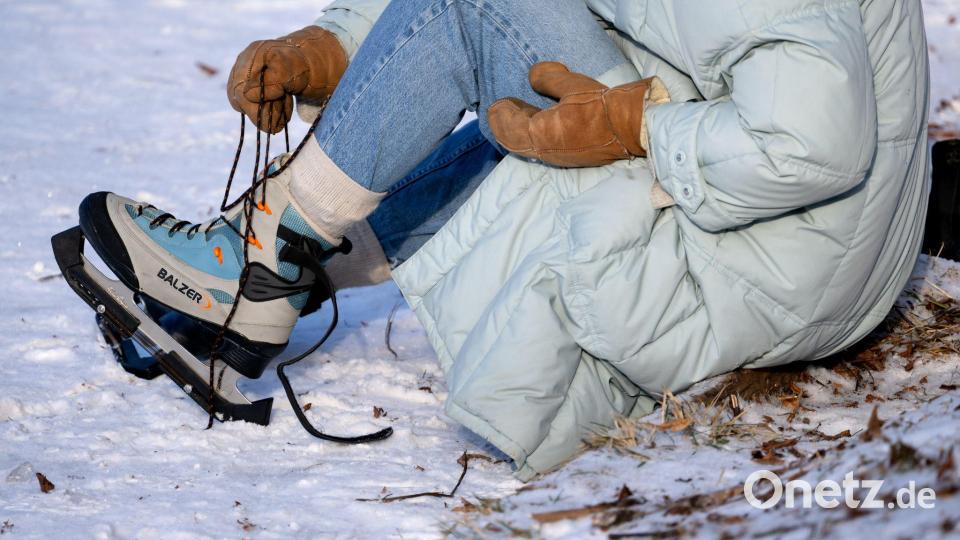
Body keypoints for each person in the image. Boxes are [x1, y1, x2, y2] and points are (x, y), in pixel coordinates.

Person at [79, 0, 930, 479]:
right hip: (795, 246)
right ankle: (270, 266)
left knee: (478, 5)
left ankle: (253, 275)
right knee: (500, 36)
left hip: (774, 258)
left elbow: (812, 142)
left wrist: (636, 125)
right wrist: (335, 49)